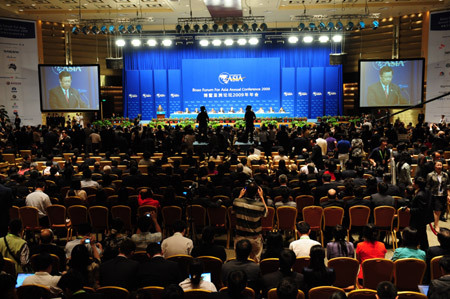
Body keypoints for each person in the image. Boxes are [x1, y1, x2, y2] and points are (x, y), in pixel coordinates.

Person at [233, 181, 268, 262]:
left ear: (245, 191)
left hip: (240, 237)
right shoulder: (260, 205)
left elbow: (234, 210)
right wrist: (262, 197)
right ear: (256, 193)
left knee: (239, 261)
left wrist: (240, 196)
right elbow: (266, 213)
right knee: (255, 263)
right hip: (254, 238)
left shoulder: (237, 201)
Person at [407, 176, 433, 250]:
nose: (413, 183)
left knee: (419, 236)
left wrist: (410, 210)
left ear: (417, 185)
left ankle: (420, 251)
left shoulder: (420, 195)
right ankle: (425, 250)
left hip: (418, 219)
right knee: (423, 236)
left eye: (414, 182)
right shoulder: (426, 190)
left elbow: (420, 210)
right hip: (424, 218)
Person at [426, 161, 450, 232]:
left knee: (439, 210)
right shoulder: (430, 175)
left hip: (443, 194)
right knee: (437, 210)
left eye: (440, 165)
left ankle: (435, 222)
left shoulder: (445, 175)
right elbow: (428, 186)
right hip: (434, 195)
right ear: (435, 166)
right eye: (438, 165)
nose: (439, 167)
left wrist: (449, 195)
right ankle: (436, 225)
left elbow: (448, 186)